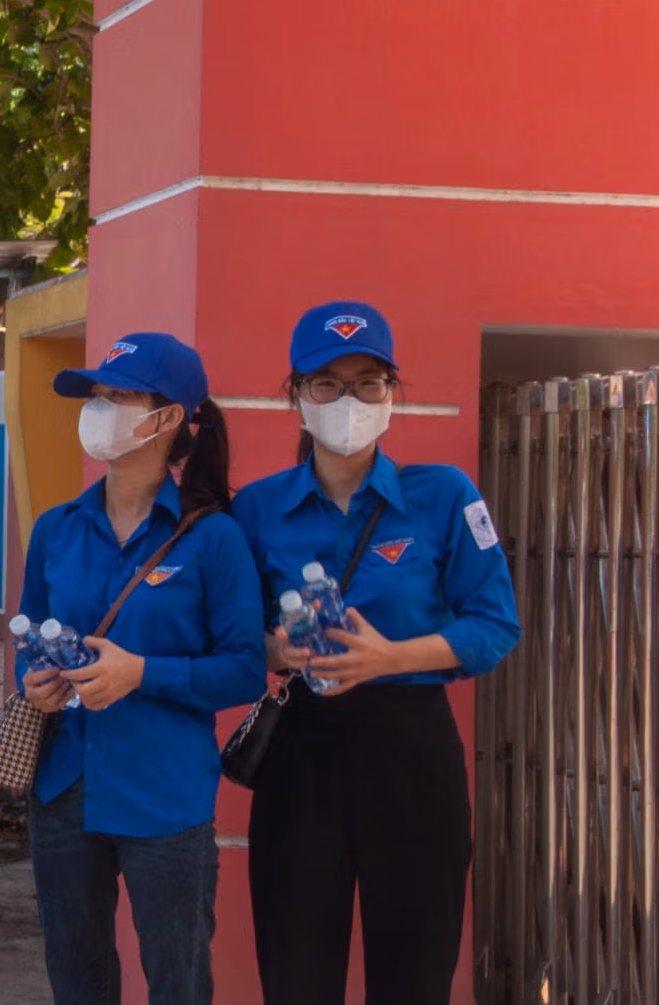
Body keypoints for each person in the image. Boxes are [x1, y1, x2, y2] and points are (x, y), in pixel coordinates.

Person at [230, 301, 520, 1005]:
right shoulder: (256, 509)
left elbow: (494, 625)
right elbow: (231, 638)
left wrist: (388, 658)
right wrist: (279, 649)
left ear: (392, 392)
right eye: (327, 383)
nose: (349, 401)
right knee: (297, 975)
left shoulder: (444, 496)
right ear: (296, 394)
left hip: (411, 753)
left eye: (368, 382)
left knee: (415, 974)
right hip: (302, 755)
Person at [18, 334, 262, 1005]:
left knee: (177, 979)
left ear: (170, 418)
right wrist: (34, 684)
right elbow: (29, 638)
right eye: (96, 396)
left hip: (165, 793)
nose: (98, 410)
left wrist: (142, 674)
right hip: (64, 787)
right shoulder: (56, 529)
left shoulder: (213, 537)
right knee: (76, 977)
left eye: (119, 397)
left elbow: (244, 670)